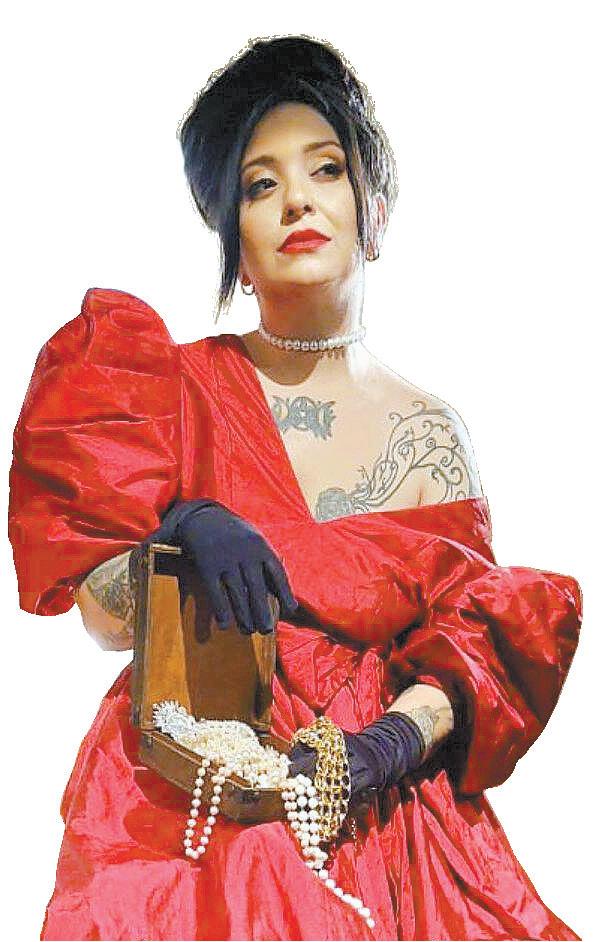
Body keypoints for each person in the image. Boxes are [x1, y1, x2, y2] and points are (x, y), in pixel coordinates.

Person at [8, 35, 583, 942]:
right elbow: (104, 617)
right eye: (258, 184)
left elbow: (470, 647)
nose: (296, 200)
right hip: (193, 789)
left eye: (325, 169)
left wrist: (383, 747)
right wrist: (178, 530)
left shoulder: (430, 434)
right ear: (235, 246)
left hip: (379, 813)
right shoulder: (163, 387)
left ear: (374, 212)